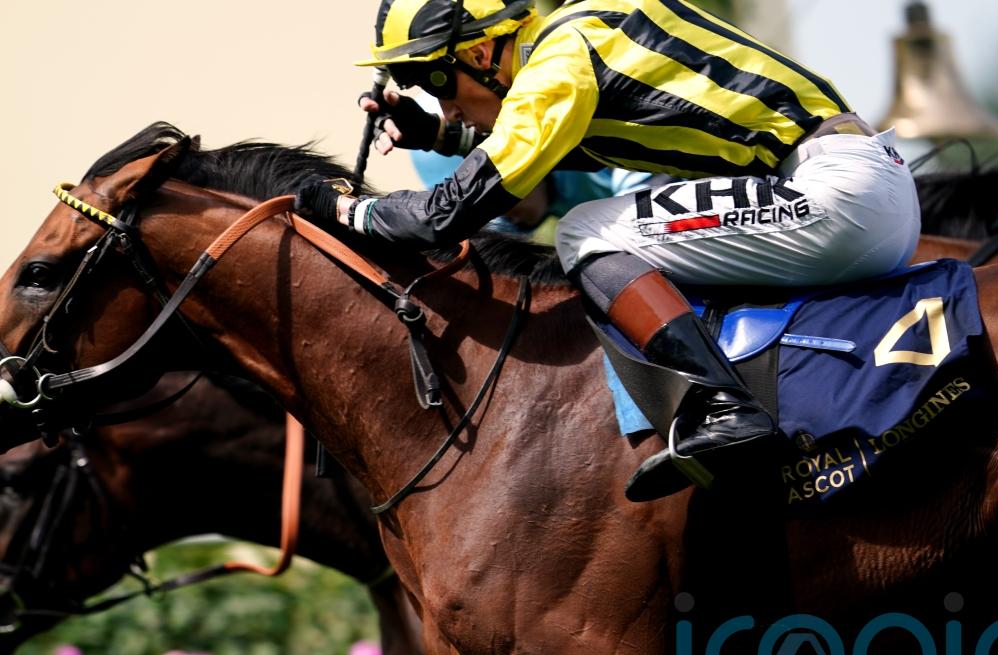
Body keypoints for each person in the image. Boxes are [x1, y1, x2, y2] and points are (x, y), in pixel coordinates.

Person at [294, 0, 920, 501]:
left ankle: (725, 406)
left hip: (838, 193)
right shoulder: (579, 35)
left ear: (481, 52)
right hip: (857, 183)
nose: (447, 105)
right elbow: (569, 145)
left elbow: (444, 216)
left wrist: (345, 207)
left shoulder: (561, 60)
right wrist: (439, 134)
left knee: (584, 230)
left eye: (433, 81)